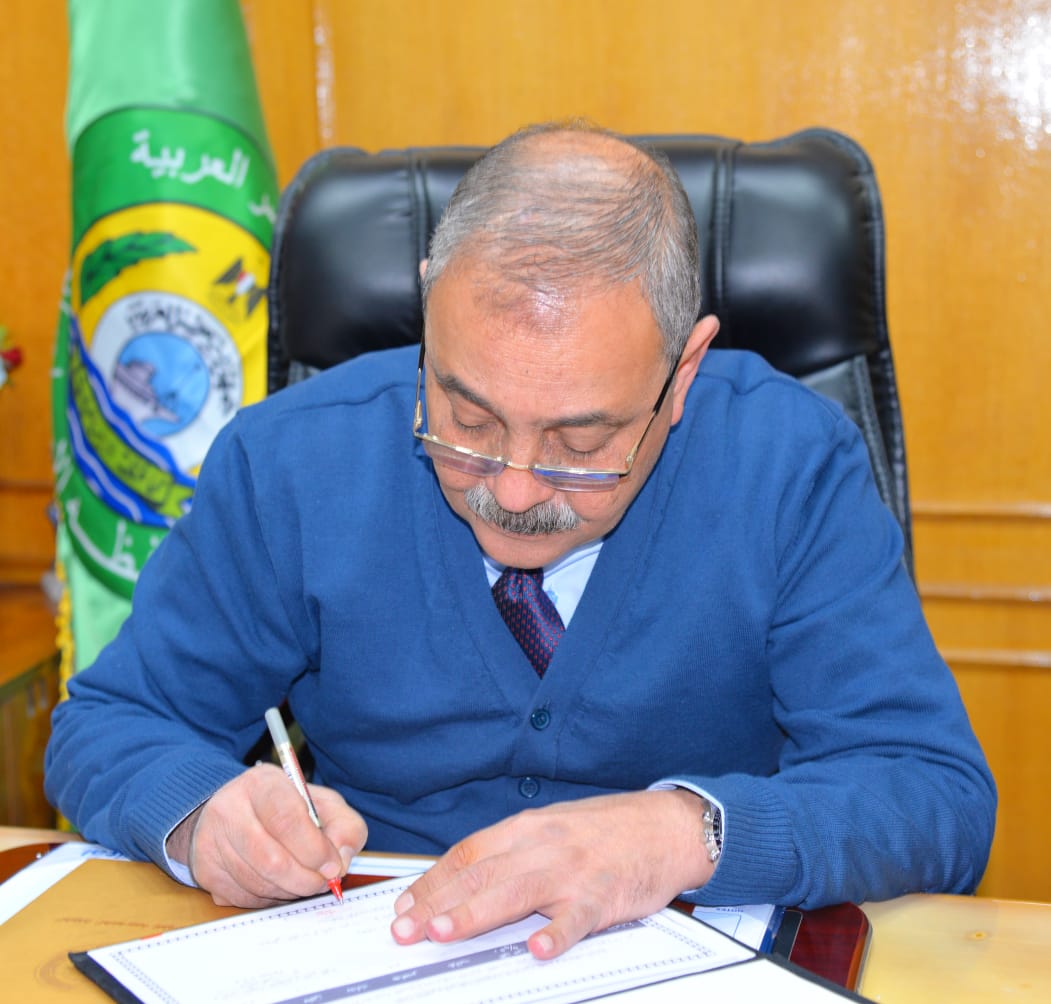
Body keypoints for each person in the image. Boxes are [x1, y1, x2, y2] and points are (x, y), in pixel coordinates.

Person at [46, 121, 996, 961]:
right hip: (379, 954)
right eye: (466, 417)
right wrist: (203, 815)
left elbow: (930, 793)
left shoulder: (789, 463)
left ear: (683, 371)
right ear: (428, 306)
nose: (511, 489)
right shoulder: (290, 461)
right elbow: (110, 722)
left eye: (581, 442)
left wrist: (682, 834)